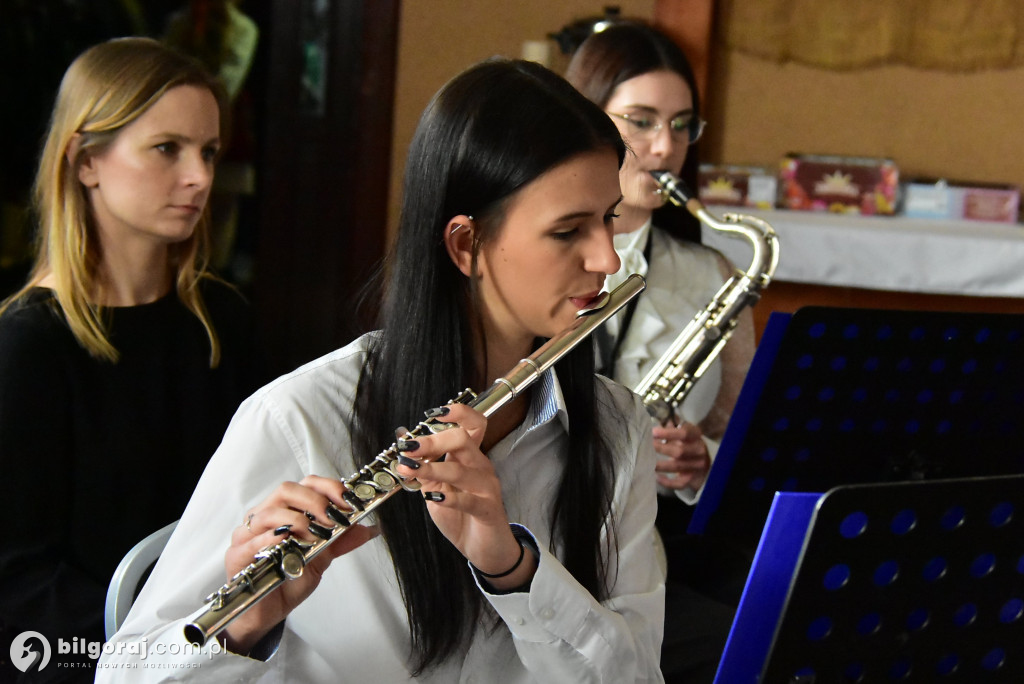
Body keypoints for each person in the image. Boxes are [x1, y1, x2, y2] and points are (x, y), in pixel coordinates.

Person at [99, 57, 665, 682]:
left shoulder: (617, 428)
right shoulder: (299, 419)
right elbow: (128, 671)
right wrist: (243, 627)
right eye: (568, 231)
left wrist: (514, 569)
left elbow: (635, 674)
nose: (608, 258)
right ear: (465, 245)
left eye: (608, 218)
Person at [0, 37, 264, 680]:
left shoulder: (220, 321)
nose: (200, 177)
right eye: (167, 149)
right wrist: (163, 647)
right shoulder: (28, 347)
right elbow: (17, 587)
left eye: (207, 151)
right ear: (86, 161)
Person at [567, 20, 758, 684]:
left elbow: (735, 442)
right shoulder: (529, 257)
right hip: (541, 540)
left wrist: (700, 462)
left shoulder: (717, 277)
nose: (664, 147)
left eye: (682, 126)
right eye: (640, 121)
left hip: (657, 548)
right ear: (584, 119)